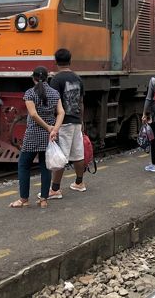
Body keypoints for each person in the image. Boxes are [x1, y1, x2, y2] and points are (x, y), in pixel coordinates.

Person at [11, 67, 64, 209]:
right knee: (45, 167)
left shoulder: (30, 93)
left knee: (23, 165)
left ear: (33, 78)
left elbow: (33, 114)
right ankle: (44, 200)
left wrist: (47, 127)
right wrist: (54, 129)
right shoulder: (55, 93)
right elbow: (61, 112)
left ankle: (23, 199)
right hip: (49, 136)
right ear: (47, 78)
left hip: (34, 134)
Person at [47, 48, 86, 198]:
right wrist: (81, 120)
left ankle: (55, 189)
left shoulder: (56, 80)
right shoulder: (77, 78)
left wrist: (52, 124)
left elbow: (53, 102)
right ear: (70, 60)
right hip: (76, 120)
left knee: (60, 156)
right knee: (78, 153)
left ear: (56, 61)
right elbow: (81, 102)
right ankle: (79, 183)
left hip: (63, 122)